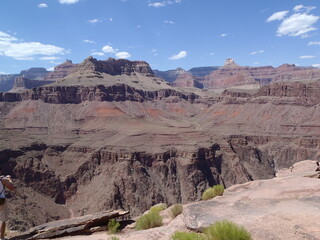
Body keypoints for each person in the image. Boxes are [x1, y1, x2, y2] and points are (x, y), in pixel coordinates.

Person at [0, 168, 15, 240]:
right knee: (3, 219)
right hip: (1, 202)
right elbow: (12, 188)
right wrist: (9, 179)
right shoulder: (2, 180)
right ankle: (1, 237)